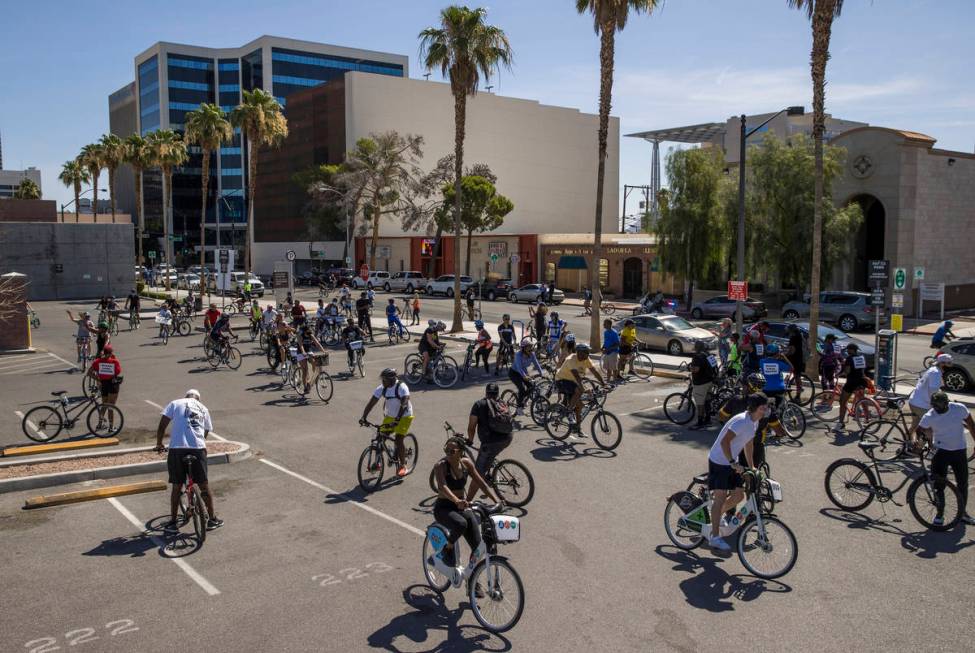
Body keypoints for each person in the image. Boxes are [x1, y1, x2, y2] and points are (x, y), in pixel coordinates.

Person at [706, 394, 769, 551]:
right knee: (720, 497)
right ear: (754, 408)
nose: (766, 410)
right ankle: (714, 537)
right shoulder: (741, 421)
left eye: (766, 407)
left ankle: (716, 517)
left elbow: (748, 443)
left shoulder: (754, 422)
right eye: (763, 408)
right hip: (720, 461)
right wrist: (733, 463)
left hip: (731, 461)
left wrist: (752, 466)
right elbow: (724, 441)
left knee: (738, 495)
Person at [154, 389, 222, 532]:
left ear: (186, 396)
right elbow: (206, 430)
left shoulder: (175, 403)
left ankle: (173, 522)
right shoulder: (203, 408)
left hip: (177, 449)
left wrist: (159, 443)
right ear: (198, 399)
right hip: (198, 449)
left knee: (177, 486)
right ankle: (212, 519)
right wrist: (200, 443)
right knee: (204, 485)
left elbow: (162, 425)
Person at [432, 434, 500, 569]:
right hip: (443, 508)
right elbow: (442, 487)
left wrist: (497, 500)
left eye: (452, 451)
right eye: (446, 450)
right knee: (461, 523)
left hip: (460, 507)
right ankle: (447, 550)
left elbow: (482, 483)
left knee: (478, 546)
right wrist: (457, 500)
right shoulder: (441, 466)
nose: (448, 454)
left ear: (461, 452)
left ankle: (472, 580)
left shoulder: (466, 464)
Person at [915, 391, 975, 526]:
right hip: (940, 452)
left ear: (947, 403)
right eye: (934, 406)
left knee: (962, 484)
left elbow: (971, 425)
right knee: (939, 485)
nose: (937, 409)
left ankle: (962, 513)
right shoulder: (929, 416)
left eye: (939, 406)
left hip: (959, 451)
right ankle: (940, 514)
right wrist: (919, 441)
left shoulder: (959, 408)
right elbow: (918, 431)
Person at [360, 369, 414, 477]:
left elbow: (404, 404)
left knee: (399, 439)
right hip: (390, 416)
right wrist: (364, 417)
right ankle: (378, 463)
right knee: (380, 438)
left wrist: (397, 419)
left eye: (384, 380)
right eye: (382, 380)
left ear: (392, 379)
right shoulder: (382, 388)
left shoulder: (402, 387)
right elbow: (372, 403)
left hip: (404, 416)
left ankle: (403, 465)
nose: (383, 382)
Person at [467, 382, 514, 479]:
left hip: (490, 442)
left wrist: (470, 440)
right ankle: (489, 473)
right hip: (508, 437)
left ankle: (478, 485)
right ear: (498, 393)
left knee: (478, 474)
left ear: (486, 392)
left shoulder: (479, 404)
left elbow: (472, 427)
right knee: (490, 455)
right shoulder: (502, 402)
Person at [554, 343, 605, 428]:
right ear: (579, 352)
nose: (588, 354)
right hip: (562, 380)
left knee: (580, 406)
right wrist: (584, 389)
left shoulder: (586, 359)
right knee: (579, 390)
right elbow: (577, 377)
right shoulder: (571, 359)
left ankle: (578, 428)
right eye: (586, 352)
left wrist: (604, 384)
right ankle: (569, 412)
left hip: (573, 382)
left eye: (588, 352)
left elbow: (595, 371)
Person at [908, 353, 952, 441]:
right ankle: (917, 448)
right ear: (942, 363)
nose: (951, 366)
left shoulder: (933, 370)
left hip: (915, 401)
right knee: (929, 428)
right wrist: (938, 403)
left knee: (916, 424)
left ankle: (908, 444)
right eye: (949, 364)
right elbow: (933, 391)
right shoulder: (935, 373)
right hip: (922, 404)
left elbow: (936, 388)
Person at [835, 343, 868, 432]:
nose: (847, 351)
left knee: (842, 401)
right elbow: (862, 370)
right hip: (861, 381)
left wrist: (840, 373)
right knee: (862, 400)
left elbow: (847, 371)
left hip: (851, 382)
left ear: (852, 350)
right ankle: (867, 419)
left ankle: (841, 423)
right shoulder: (861, 357)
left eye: (848, 349)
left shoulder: (849, 358)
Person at [89, 344, 122, 430]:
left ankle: (100, 424)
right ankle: (111, 426)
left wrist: (98, 379)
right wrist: (113, 358)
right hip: (112, 384)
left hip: (103, 384)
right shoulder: (114, 362)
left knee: (104, 405)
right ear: (111, 353)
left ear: (104, 352)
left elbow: (89, 373)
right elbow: (118, 372)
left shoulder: (97, 361)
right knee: (111, 406)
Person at [688, 341, 719, 430]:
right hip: (710, 381)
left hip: (700, 383)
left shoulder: (697, 357)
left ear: (697, 348)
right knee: (707, 400)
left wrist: (690, 368)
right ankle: (708, 420)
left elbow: (696, 369)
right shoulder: (709, 355)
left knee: (700, 403)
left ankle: (700, 422)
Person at [510, 338, 543, 413]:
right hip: (514, 373)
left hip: (523, 372)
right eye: (529, 347)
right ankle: (519, 408)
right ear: (523, 348)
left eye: (531, 346)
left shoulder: (532, 354)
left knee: (531, 386)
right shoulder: (518, 355)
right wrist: (524, 376)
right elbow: (519, 367)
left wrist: (541, 373)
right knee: (522, 389)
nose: (531, 349)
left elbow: (536, 364)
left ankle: (523, 399)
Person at [295, 318, 326, 394]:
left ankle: (313, 379)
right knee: (305, 370)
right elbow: (301, 345)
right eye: (307, 331)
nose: (309, 333)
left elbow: (317, 343)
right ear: (304, 331)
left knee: (315, 363)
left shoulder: (310, 335)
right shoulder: (300, 335)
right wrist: (303, 352)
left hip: (309, 351)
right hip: (301, 353)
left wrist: (323, 351)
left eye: (310, 331)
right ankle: (305, 386)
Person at [785, 324, 805, 395]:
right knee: (797, 375)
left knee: (796, 376)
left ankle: (798, 393)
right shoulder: (799, 336)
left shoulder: (793, 337)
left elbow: (792, 350)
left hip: (795, 359)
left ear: (791, 330)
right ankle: (797, 390)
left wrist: (784, 355)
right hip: (799, 358)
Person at [601, 319, 621, 383]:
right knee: (608, 368)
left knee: (614, 368)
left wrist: (609, 349)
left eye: (605, 323)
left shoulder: (614, 333)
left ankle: (614, 380)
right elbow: (606, 341)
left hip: (613, 352)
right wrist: (603, 347)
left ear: (609, 324)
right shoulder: (605, 332)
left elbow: (617, 344)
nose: (603, 325)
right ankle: (608, 380)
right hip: (607, 352)